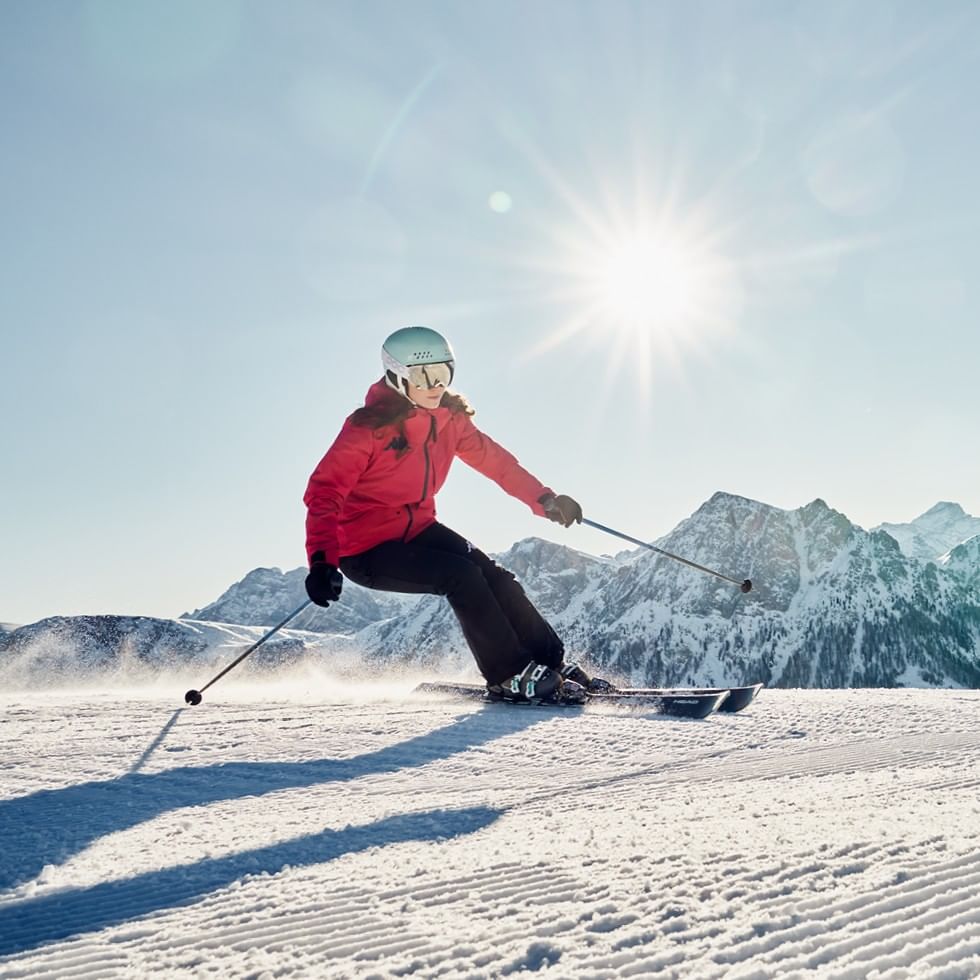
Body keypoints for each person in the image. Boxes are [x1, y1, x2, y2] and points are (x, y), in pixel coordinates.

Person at [303, 325, 602, 702]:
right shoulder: (367, 430)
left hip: (418, 529)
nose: (435, 385)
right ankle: (507, 675)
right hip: (364, 548)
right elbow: (324, 494)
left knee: (496, 576)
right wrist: (322, 561)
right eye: (424, 376)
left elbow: (498, 464)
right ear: (397, 376)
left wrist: (545, 499)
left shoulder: (449, 419)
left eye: (444, 374)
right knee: (460, 576)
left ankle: (550, 662)